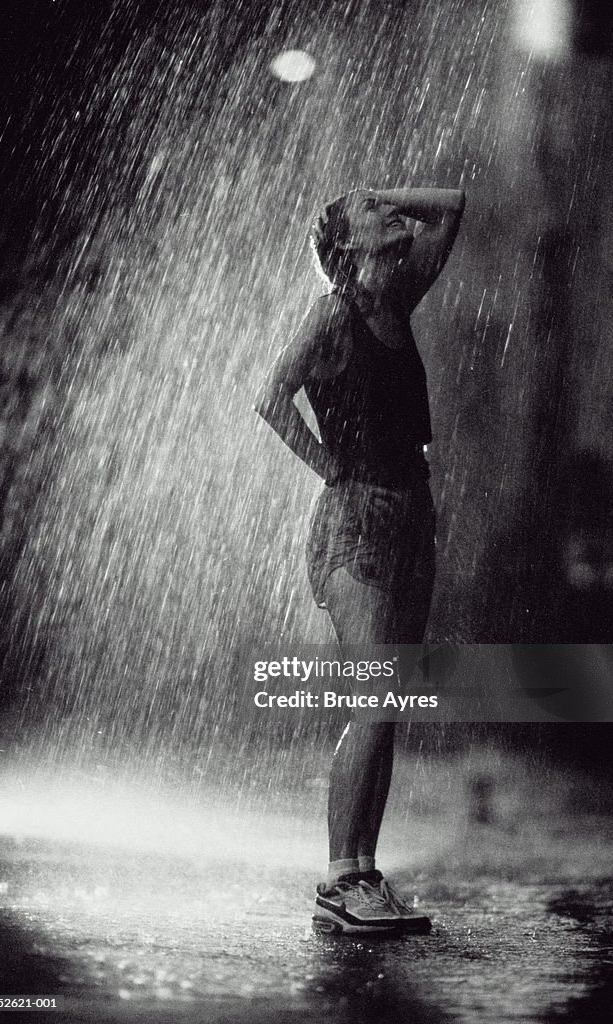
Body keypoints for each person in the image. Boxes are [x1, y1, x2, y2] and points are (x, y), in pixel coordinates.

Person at [255, 184, 465, 933]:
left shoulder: (397, 305)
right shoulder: (334, 315)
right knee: (373, 699)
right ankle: (340, 883)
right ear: (347, 245)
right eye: (373, 209)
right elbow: (272, 394)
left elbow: (454, 205)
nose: (392, 213)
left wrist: (380, 196)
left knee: (388, 706)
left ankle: (364, 877)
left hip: (412, 517)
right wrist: (327, 467)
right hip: (353, 526)